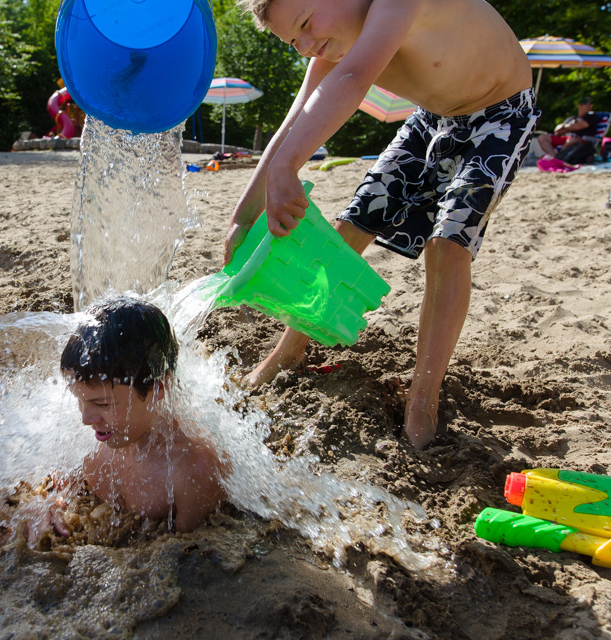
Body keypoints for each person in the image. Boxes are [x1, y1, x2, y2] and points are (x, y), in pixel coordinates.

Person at [224, 0, 539, 449]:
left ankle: (422, 399)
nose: (309, 46)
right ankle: (288, 350)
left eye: (307, 25)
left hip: (501, 115)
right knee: (352, 224)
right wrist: (242, 214)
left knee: (448, 243)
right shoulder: (329, 45)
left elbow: (354, 80)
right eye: (295, 42)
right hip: (432, 120)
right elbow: (296, 117)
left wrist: (287, 168)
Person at [44, 298, 225, 536]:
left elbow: (190, 550)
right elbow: (56, 485)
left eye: (101, 403)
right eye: (80, 400)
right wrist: (50, 505)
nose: (85, 419)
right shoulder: (94, 437)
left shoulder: (191, 471)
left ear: (158, 390)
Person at [535, 96, 602, 159]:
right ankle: (555, 156)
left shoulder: (591, 116)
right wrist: (564, 127)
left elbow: (578, 126)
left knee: (571, 140)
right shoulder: (572, 118)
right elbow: (557, 131)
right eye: (587, 104)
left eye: (591, 104)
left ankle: (559, 157)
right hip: (566, 139)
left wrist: (564, 127)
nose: (589, 106)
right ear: (579, 105)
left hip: (581, 140)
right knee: (542, 137)